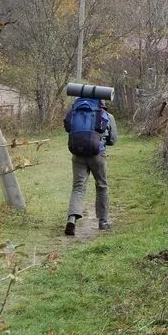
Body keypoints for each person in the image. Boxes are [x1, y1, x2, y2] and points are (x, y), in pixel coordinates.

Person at [64, 100, 117, 236]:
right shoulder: (107, 115)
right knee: (101, 185)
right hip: (97, 155)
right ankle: (103, 221)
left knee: (78, 187)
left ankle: (72, 219)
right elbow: (112, 139)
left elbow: (68, 128)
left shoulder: (76, 112)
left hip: (77, 154)